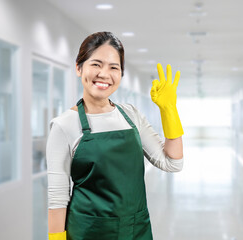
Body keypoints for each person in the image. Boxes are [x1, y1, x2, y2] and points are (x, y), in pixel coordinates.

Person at [46, 31, 184, 240]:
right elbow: (57, 199)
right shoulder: (64, 125)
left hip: (135, 230)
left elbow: (173, 163)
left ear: (120, 74)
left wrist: (169, 112)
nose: (104, 74)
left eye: (114, 67)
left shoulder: (131, 115)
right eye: (96, 64)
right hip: (88, 232)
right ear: (78, 67)